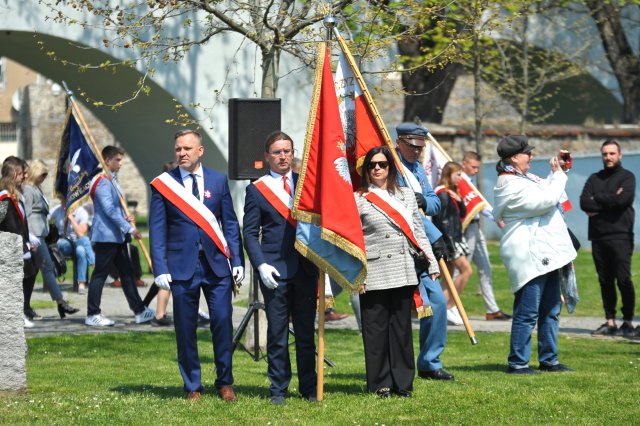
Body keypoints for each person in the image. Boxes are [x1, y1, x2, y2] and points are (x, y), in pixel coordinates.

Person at [149, 130, 244, 402]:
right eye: (178, 148)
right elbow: (157, 229)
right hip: (181, 267)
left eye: (188, 148)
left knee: (223, 323)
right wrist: (160, 268)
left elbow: (229, 224)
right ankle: (193, 385)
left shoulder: (218, 180)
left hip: (216, 266)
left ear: (200, 151)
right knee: (186, 328)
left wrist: (237, 260)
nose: (182, 153)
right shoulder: (163, 185)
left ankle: (225, 382)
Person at [356, 146, 439, 397]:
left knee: (401, 330)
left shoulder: (406, 196)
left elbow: (418, 231)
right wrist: (356, 274)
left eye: (382, 164)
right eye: (372, 165)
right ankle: (380, 383)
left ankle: (403, 383)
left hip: (403, 269)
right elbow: (354, 240)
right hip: (374, 270)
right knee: (376, 331)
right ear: (367, 170)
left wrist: (431, 261)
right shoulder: (357, 198)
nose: (377, 169)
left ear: (390, 167)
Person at [243, 131, 319, 405]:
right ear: (267, 156)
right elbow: (250, 233)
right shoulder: (256, 189)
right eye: (277, 152)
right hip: (274, 271)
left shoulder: (305, 184)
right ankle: (278, 389)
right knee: (276, 334)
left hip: (307, 268)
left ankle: (309, 387)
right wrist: (260, 264)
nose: (283, 156)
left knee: (305, 333)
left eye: (287, 151)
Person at [493, 135, 576, 374]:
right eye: (526, 153)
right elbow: (546, 200)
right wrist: (559, 176)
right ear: (513, 158)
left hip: (543, 253)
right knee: (528, 312)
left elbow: (546, 190)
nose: (531, 156)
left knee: (551, 309)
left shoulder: (522, 178)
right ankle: (518, 362)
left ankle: (549, 360)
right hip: (528, 255)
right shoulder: (507, 183)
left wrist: (559, 170)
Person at [395, 123, 453, 381]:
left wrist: (422, 201)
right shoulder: (391, 167)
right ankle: (396, 365)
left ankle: (430, 363)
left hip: (421, 247)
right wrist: (434, 235)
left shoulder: (417, 170)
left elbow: (435, 203)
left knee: (438, 304)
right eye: (412, 146)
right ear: (399, 142)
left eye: (420, 147)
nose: (416, 152)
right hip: (398, 246)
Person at [85, 146, 155, 327]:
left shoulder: (112, 180)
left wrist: (125, 218)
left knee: (127, 273)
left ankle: (139, 311)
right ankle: (93, 313)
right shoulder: (102, 181)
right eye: (117, 160)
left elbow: (114, 209)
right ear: (107, 160)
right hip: (106, 236)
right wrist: (129, 228)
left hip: (117, 236)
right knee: (100, 274)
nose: (121, 163)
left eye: (121, 160)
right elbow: (107, 210)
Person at [580, 140, 637, 338]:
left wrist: (598, 200)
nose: (608, 157)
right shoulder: (594, 178)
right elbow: (583, 203)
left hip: (621, 236)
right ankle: (610, 321)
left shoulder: (627, 177)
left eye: (612, 153)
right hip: (598, 237)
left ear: (620, 155)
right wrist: (610, 198)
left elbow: (624, 200)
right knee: (605, 280)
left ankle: (628, 322)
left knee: (623, 279)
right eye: (605, 153)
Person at [22, 159, 79, 319]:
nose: (44, 177)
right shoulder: (28, 189)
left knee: (32, 273)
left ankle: (26, 307)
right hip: (35, 236)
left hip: (40, 235)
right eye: (42, 174)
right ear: (35, 172)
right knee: (47, 268)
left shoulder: (36, 189)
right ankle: (61, 303)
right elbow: (25, 215)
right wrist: (29, 238)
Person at [461, 151, 511, 321]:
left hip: (475, 228)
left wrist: (496, 217)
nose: (476, 170)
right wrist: (496, 218)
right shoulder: (460, 182)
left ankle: (492, 310)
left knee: (486, 268)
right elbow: (477, 206)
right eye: (473, 167)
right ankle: (450, 306)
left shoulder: (470, 181)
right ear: (464, 164)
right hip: (465, 229)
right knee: (462, 269)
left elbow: (480, 204)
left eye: (477, 167)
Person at [432, 161, 473, 326]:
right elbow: (440, 221)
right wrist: (447, 245)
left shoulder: (452, 193)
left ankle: (440, 310)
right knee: (466, 271)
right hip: (449, 241)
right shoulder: (441, 194)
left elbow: (462, 214)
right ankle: (450, 306)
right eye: (457, 175)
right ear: (449, 175)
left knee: (447, 278)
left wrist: (460, 201)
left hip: (455, 238)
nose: (460, 178)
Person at [0, 157, 39, 327]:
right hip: (11, 247)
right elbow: (10, 226)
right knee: (15, 283)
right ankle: (15, 316)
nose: (24, 177)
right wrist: (23, 245)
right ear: (13, 174)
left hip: (21, 245)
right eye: (20, 173)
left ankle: (20, 312)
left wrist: (29, 241)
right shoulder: (5, 198)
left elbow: (21, 223)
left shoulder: (15, 196)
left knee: (29, 275)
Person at [50, 199, 95, 295]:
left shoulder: (81, 212)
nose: (64, 205)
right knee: (64, 243)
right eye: (62, 202)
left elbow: (81, 233)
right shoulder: (57, 210)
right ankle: (94, 263)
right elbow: (45, 216)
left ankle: (81, 284)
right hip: (64, 244)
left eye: (66, 203)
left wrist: (71, 218)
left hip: (78, 242)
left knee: (81, 250)